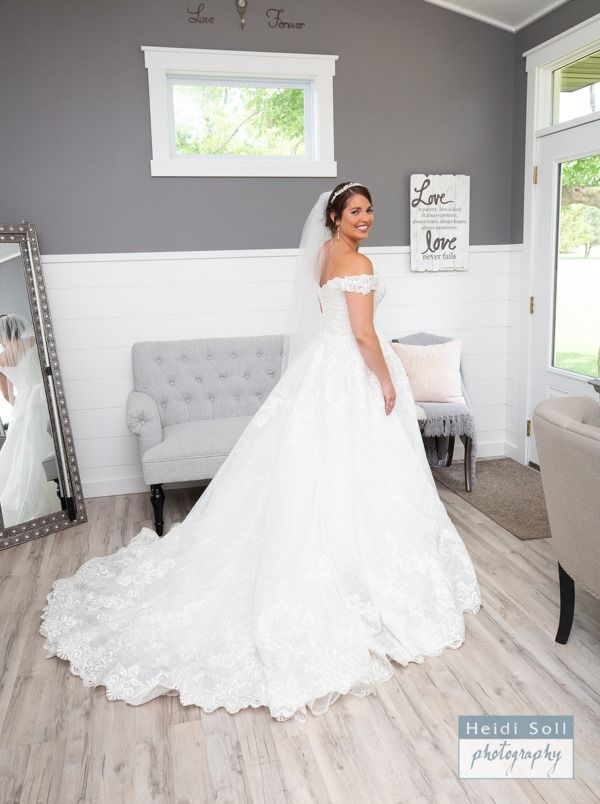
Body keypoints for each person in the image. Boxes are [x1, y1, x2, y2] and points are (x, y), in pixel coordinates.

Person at [39, 183, 481, 723]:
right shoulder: (358, 260)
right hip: (352, 374)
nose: (366, 218)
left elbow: (333, 321)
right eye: (356, 211)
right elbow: (365, 337)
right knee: (356, 474)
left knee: (316, 470)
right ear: (336, 217)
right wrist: (388, 382)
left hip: (322, 368)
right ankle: (354, 567)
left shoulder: (323, 255)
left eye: (369, 210)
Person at [0, 314, 60, 526]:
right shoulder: (33, 340)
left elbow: (8, 396)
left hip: (25, 402)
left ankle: (32, 503)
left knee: (27, 451)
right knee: (51, 443)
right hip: (44, 395)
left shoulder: (2, 358)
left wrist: (20, 406)